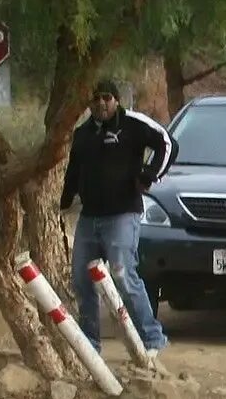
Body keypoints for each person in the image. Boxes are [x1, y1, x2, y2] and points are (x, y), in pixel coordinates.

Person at [59, 78, 175, 357]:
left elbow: (167, 144)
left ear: (116, 100)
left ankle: (152, 338)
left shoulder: (133, 124)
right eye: (96, 98)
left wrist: (150, 174)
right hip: (89, 219)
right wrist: (63, 200)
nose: (101, 103)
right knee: (81, 279)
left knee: (123, 275)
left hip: (123, 216)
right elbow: (73, 172)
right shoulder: (83, 134)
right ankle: (90, 344)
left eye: (107, 97)